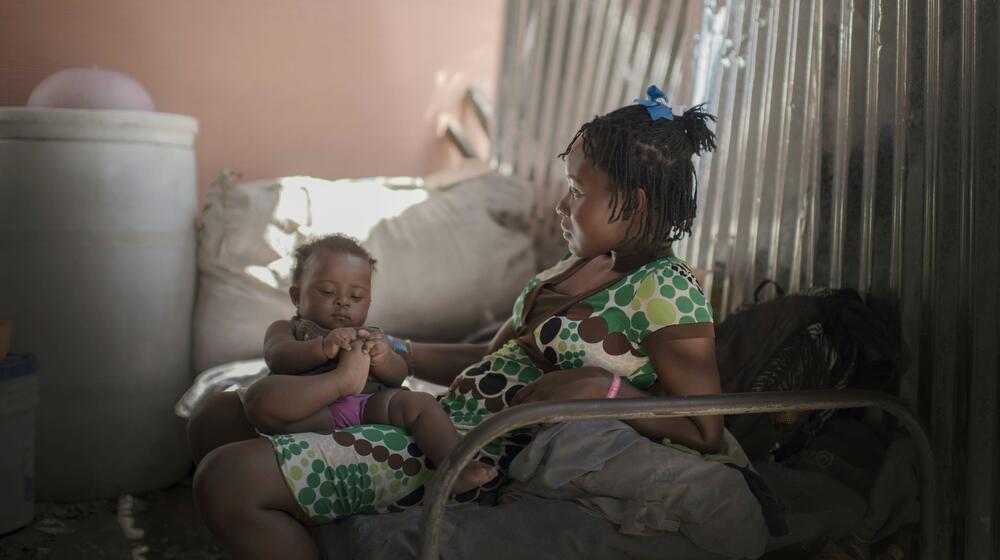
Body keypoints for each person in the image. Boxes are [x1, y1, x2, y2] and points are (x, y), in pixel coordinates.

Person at [190, 85, 726, 560]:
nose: (562, 205)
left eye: (578, 192)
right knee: (216, 417)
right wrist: (392, 345)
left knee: (226, 481)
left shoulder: (667, 290)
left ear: (631, 204)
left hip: (476, 454)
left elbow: (705, 428)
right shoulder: (565, 272)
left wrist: (603, 389)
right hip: (440, 423)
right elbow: (485, 361)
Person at [242, 234, 497, 495]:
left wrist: (384, 358)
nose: (343, 302)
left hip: (368, 407)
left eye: (356, 296)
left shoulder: (370, 335)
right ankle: (341, 382)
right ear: (297, 296)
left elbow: (398, 376)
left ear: (369, 302)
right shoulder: (289, 328)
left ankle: (455, 466)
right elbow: (278, 356)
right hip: (315, 412)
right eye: (328, 291)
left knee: (420, 403)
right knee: (261, 397)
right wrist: (321, 348)